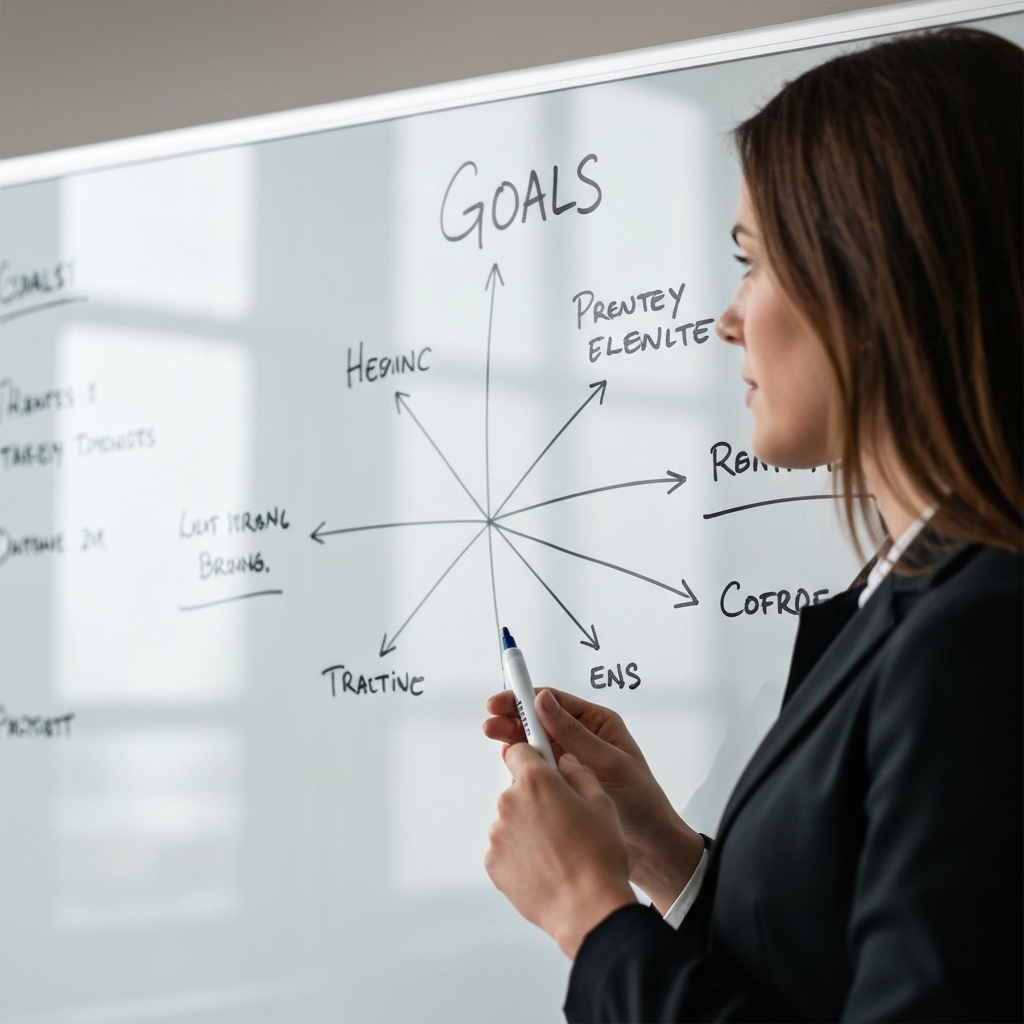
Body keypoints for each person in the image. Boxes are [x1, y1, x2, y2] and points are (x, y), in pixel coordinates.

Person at [482, 26, 1022, 1023]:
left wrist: (592, 919)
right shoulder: (904, 606)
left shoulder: (979, 629)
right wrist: (657, 852)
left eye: (752, 262)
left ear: (873, 285)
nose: (726, 320)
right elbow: (823, 976)